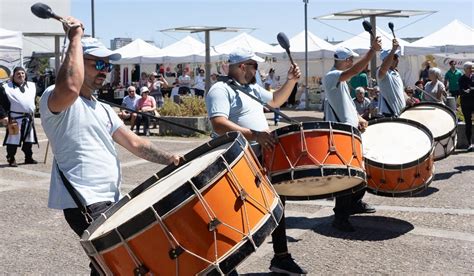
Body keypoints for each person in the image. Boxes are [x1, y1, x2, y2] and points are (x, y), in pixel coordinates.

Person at [39, 18, 180, 276]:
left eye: (107, 65)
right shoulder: (55, 97)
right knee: (128, 259)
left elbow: (135, 142)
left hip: (110, 198)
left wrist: (170, 158)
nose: (105, 70)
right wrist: (74, 38)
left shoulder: (102, 108)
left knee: (112, 265)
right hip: (84, 200)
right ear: (79, 62)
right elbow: (70, 86)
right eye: (98, 64)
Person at [205, 48, 306, 275]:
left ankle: (281, 257)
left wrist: (291, 81)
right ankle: (225, 266)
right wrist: (255, 134)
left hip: (260, 155)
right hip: (235, 159)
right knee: (236, 212)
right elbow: (218, 124)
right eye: (254, 66)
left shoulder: (250, 89)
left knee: (276, 204)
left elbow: (277, 100)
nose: (256, 71)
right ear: (243, 66)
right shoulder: (220, 90)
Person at [323, 41, 381, 232]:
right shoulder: (332, 76)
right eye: (351, 60)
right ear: (346, 60)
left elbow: (346, 104)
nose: (353, 62)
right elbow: (354, 71)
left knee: (359, 171)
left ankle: (355, 203)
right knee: (346, 176)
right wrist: (371, 51)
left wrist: (357, 117)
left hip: (350, 132)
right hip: (341, 134)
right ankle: (340, 217)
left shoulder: (342, 82)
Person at [0, 67, 39, 167]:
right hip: (15, 119)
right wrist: (3, 116)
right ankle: (11, 158)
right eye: (18, 73)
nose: (20, 75)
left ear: (25, 75)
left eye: (22, 73)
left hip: (29, 118)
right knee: (13, 140)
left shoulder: (32, 86)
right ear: (13, 75)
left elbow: (40, 97)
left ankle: (28, 157)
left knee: (28, 139)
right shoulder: (6, 87)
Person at [376, 39, 407, 117]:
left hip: (399, 114)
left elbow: (401, 92)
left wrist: (408, 99)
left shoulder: (396, 73)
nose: (398, 60)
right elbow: (383, 69)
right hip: (388, 115)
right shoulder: (382, 72)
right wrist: (393, 50)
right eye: (395, 57)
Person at [458, 61, 474, 151]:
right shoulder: (461, 79)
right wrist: (469, 91)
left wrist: (469, 90)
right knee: (468, 123)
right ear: (465, 69)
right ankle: (469, 143)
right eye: (469, 68)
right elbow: (461, 91)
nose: (471, 70)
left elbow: (468, 90)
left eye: (472, 68)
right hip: (466, 104)